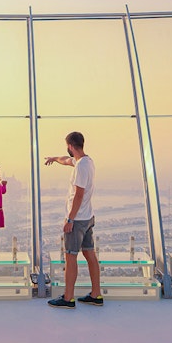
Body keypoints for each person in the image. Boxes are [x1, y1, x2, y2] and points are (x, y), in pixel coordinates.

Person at [45, 131, 103, 308]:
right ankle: (96, 294)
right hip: (88, 217)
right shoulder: (86, 161)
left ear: (70, 146)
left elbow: (78, 195)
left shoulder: (80, 167)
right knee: (90, 254)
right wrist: (54, 158)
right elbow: (66, 160)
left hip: (77, 220)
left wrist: (70, 219)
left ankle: (68, 298)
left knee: (70, 257)